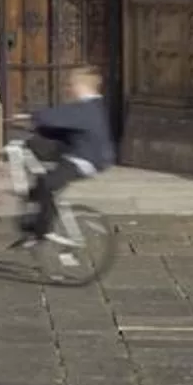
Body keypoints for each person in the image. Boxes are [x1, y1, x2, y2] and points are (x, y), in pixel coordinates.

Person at [19, 64, 116, 247]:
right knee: (42, 182)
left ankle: (41, 231)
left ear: (83, 85)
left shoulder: (88, 106)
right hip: (78, 152)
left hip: (85, 159)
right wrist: (38, 127)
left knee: (48, 184)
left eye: (72, 84)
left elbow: (61, 116)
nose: (68, 88)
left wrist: (34, 116)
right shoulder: (90, 105)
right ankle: (36, 214)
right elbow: (64, 126)